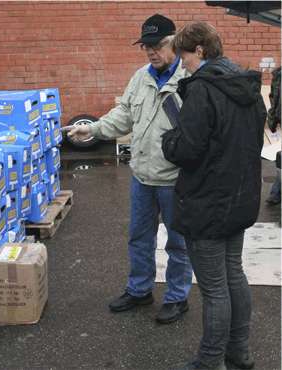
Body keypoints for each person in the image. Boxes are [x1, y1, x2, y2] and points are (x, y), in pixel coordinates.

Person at [67, 14, 192, 324]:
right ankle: (139, 290)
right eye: (146, 46)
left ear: (174, 42)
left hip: (176, 179)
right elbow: (123, 116)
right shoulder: (141, 77)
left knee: (178, 242)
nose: (151, 51)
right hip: (142, 176)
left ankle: (177, 297)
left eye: (158, 45)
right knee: (139, 237)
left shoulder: (189, 79)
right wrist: (92, 130)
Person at [161, 22, 266, 370]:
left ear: (200, 51)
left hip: (207, 203)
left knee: (215, 288)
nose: (182, 63)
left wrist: (168, 140)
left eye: (184, 55)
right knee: (233, 274)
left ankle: (210, 361)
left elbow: (186, 150)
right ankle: (239, 353)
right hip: (239, 199)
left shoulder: (202, 90)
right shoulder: (246, 85)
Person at [265, 66, 281, 205]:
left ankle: (276, 191)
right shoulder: (279, 74)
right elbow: (274, 96)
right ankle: (276, 192)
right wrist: (273, 120)